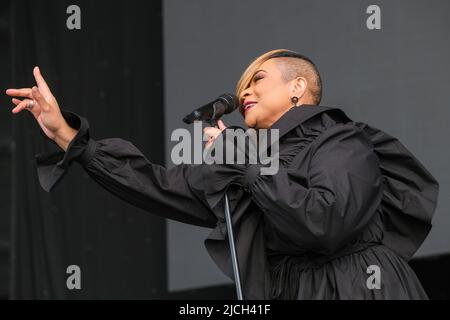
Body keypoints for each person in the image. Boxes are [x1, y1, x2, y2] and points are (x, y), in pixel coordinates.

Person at [5, 49, 439, 299]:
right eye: (242, 85)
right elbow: (156, 185)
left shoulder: (342, 141)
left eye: (258, 80)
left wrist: (242, 159)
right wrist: (68, 136)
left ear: (297, 88)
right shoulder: (242, 157)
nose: (245, 91)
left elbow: (325, 222)